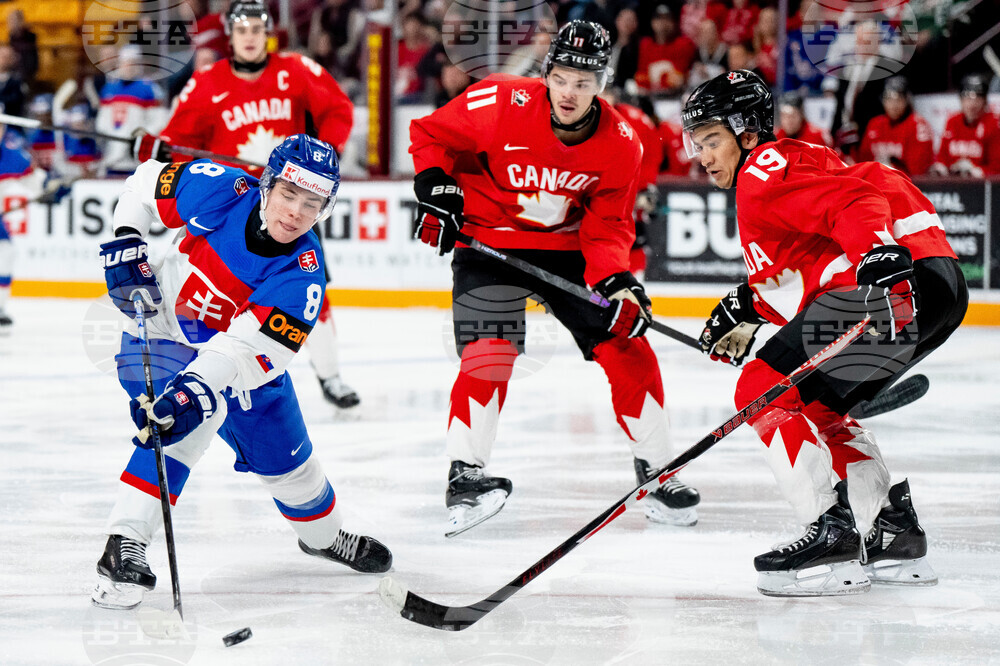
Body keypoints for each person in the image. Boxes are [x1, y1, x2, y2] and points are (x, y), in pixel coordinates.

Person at [409, 20, 700, 537]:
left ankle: (658, 470)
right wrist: (435, 185)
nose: (570, 92)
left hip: (568, 253)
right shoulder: (497, 101)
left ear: (602, 84)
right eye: (563, 78)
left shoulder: (622, 144)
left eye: (584, 82)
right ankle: (465, 475)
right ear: (547, 73)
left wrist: (617, 280)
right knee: (489, 352)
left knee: (628, 347)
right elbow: (430, 134)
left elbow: (609, 224)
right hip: (488, 243)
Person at [682, 70, 967, 596]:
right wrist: (748, 305)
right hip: (933, 285)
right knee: (815, 409)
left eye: (711, 140)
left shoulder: (760, 169)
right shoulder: (791, 162)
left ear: (747, 133)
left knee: (758, 389)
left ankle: (828, 534)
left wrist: (878, 254)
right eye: (696, 143)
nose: (702, 155)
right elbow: (812, 262)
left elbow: (854, 204)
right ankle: (889, 532)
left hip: (889, 285)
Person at [91, 135, 391, 611]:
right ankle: (123, 545)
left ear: (325, 209)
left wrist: (197, 387)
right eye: (289, 194)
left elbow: (238, 353)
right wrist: (128, 237)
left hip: (240, 368)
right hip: (161, 333)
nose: (295, 212)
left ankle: (323, 537)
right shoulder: (221, 188)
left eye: (311, 203)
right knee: (176, 428)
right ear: (266, 185)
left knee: (292, 469)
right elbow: (144, 182)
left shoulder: (304, 276)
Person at [135, 0, 361, 411]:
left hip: (289, 202)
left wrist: (322, 162)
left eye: (257, 29)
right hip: (231, 206)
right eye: (242, 30)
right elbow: (174, 141)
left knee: (310, 290)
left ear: (267, 32)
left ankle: (330, 377)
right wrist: (156, 147)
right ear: (231, 35)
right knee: (218, 285)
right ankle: (211, 368)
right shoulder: (205, 82)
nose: (251, 37)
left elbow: (338, 111)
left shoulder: (296, 70)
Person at [859, 76, 934, 176]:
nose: (893, 105)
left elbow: (918, 171)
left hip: (906, 185)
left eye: (898, 99)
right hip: (875, 183)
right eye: (888, 99)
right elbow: (862, 161)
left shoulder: (918, 125)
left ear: (907, 100)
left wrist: (892, 165)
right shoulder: (874, 124)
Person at [931, 73, 1000, 177]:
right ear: (961, 100)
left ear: (985, 101)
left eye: (978, 98)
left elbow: (996, 167)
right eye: (967, 98)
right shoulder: (953, 121)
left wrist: (975, 171)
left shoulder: (994, 123)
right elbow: (942, 157)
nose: (972, 104)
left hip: (980, 186)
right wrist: (941, 168)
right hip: (953, 184)